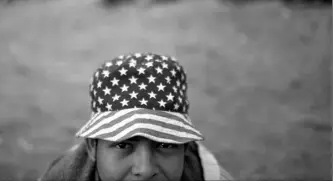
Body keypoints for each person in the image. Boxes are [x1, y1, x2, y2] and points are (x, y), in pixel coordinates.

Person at [39, 52, 234, 181]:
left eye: (165, 144)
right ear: (92, 146)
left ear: (184, 147)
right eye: (123, 145)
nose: (146, 169)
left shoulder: (212, 177)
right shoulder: (61, 176)